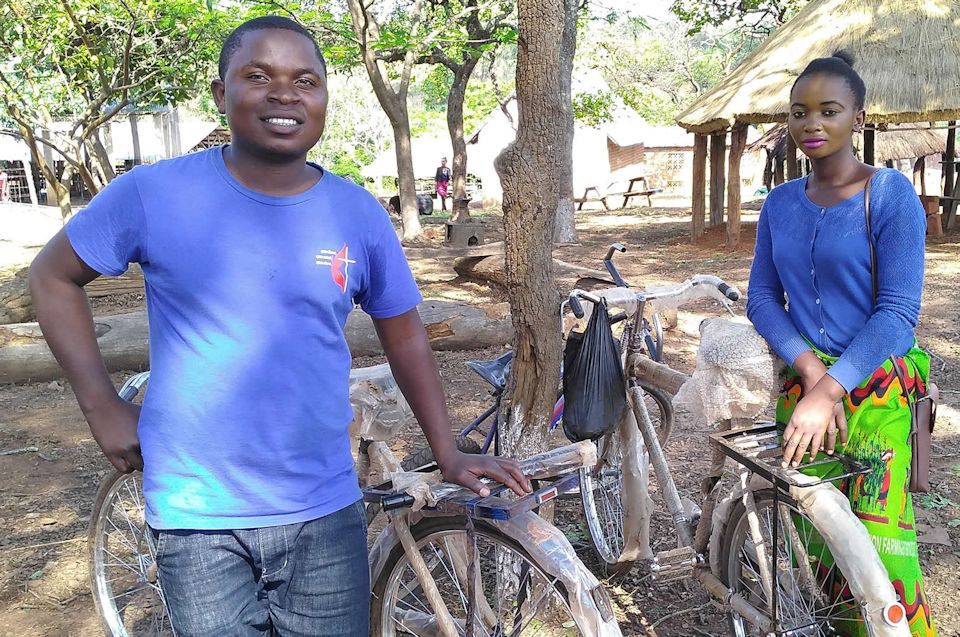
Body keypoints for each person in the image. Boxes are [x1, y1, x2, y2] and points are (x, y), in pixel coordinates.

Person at [28, 16, 530, 637]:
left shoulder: (357, 214)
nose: (284, 94)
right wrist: (101, 405)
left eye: (306, 81)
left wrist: (449, 451)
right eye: (258, 76)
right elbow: (51, 277)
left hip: (322, 511)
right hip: (196, 513)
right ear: (219, 93)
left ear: (323, 99)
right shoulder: (153, 195)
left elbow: (405, 335)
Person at [747, 51, 934, 636]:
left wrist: (831, 388)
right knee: (815, 538)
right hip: (802, 394)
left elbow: (899, 313)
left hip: (874, 392)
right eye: (800, 112)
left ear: (858, 115)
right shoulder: (779, 205)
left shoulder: (890, 195)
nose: (812, 124)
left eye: (829, 110)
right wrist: (807, 372)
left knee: (879, 559)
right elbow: (760, 299)